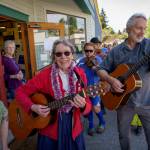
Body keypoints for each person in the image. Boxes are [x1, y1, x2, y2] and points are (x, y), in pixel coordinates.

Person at [15, 39, 92, 150]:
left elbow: (88, 105)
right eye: (58, 54)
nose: (63, 57)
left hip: (73, 126)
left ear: (72, 55)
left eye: (67, 53)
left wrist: (83, 105)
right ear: (54, 57)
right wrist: (33, 107)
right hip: (50, 131)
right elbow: (20, 92)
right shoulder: (45, 75)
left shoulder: (80, 75)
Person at [96, 13, 150, 150]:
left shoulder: (148, 45)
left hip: (147, 102)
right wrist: (111, 79)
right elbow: (100, 69)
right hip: (123, 103)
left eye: (144, 28)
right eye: (139, 28)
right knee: (123, 135)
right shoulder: (116, 51)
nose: (142, 32)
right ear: (128, 29)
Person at [77, 42, 105, 136]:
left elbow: (103, 73)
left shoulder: (98, 60)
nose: (88, 53)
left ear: (94, 51)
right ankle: (91, 125)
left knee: (96, 108)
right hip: (84, 88)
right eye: (86, 51)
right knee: (88, 108)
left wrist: (96, 68)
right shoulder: (81, 61)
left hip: (95, 88)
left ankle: (102, 122)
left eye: (91, 51)